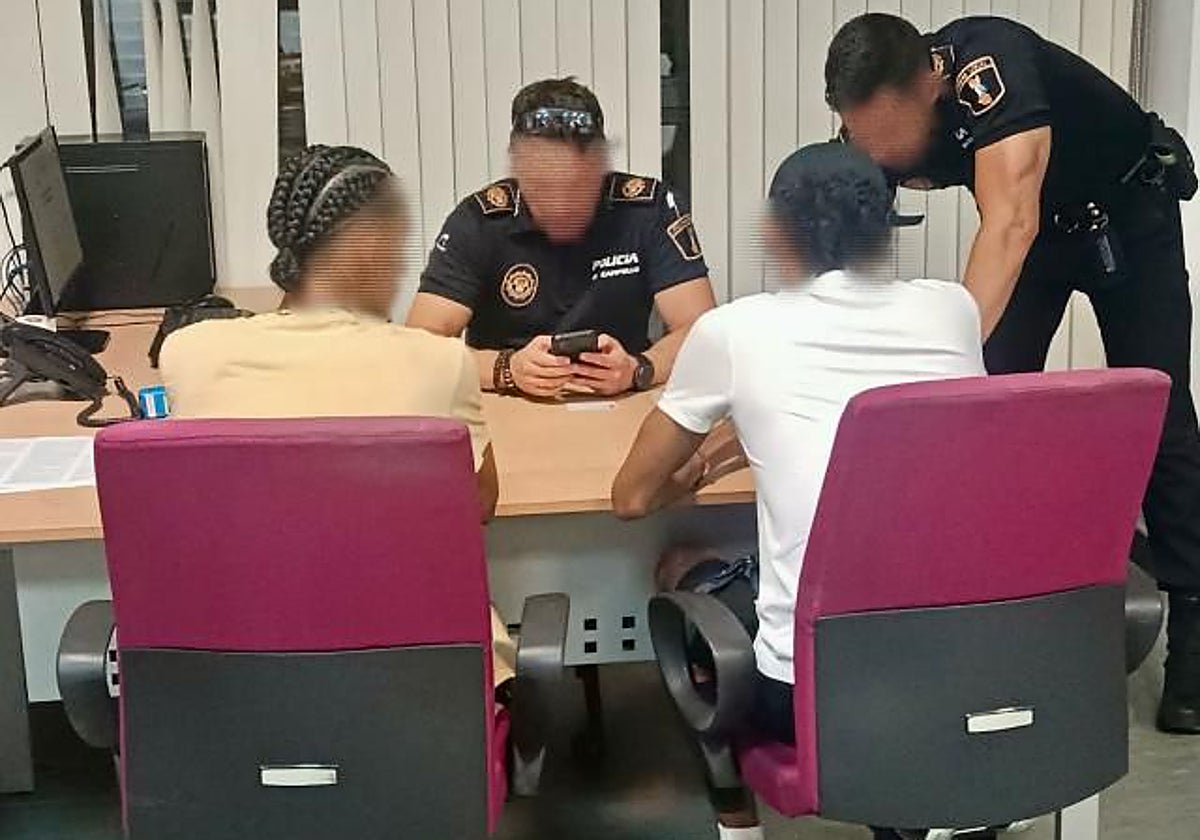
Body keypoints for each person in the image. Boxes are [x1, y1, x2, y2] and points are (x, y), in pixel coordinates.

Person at [825, 12, 1200, 734]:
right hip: (1044, 232)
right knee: (986, 414)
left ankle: (1193, 628)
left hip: (1127, 215)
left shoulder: (988, 69)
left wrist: (948, 356)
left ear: (931, 86)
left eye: (890, 137)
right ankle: (988, 602)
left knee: (1160, 418)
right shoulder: (872, 117)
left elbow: (1010, 223)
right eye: (860, 136)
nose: (879, 155)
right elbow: (846, 243)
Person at [612, 142, 986, 840]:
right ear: (883, 233)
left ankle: (739, 827)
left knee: (682, 565)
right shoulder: (953, 310)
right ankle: (912, 809)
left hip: (804, 692)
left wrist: (700, 469)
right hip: (953, 670)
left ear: (781, 236)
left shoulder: (735, 330)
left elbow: (631, 497)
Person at [159, 144, 517, 697]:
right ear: (371, 248)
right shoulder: (439, 362)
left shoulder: (188, 353)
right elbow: (479, 506)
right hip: (419, 692)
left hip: (239, 688)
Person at [406, 77, 716, 398]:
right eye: (542, 186)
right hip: (506, 400)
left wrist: (639, 368)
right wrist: (505, 369)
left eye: (576, 186)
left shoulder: (648, 209)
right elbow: (419, 346)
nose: (560, 204)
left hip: (623, 396)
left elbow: (701, 331)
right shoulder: (479, 220)